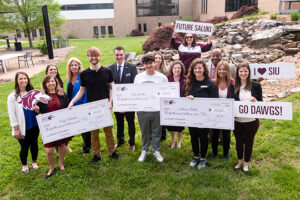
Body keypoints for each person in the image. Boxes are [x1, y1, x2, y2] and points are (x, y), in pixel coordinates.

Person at [68, 47, 119, 165]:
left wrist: (110, 101)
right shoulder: (84, 74)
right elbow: (81, 91)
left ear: (99, 56)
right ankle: (96, 155)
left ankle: (112, 152)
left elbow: (113, 87)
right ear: (88, 57)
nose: (93, 58)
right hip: (91, 107)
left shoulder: (107, 72)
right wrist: (72, 101)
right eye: (91, 56)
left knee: (108, 132)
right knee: (94, 133)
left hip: (105, 107)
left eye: (96, 55)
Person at [183, 58, 217, 169]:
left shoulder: (210, 84)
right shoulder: (188, 83)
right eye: (195, 68)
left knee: (203, 137)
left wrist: (206, 119)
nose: (197, 70)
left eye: (199, 68)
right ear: (192, 70)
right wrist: (187, 98)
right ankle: (196, 156)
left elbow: (213, 102)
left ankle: (203, 158)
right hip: (191, 116)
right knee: (193, 137)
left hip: (204, 117)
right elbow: (181, 98)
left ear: (204, 69)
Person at [134, 53, 168, 162]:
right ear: (144, 65)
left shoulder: (162, 77)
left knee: (156, 131)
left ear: (155, 63)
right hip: (142, 110)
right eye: (146, 63)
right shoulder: (139, 77)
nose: (149, 65)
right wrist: (135, 108)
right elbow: (135, 94)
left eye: (150, 63)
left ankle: (156, 150)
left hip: (157, 110)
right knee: (145, 132)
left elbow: (167, 93)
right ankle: (145, 150)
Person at [36, 75, 71, 179]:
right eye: (48, 82)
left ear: (56, 83)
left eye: (53, 81)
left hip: (61, 125)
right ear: (45, 84)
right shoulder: (41, 98)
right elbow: (40, 111)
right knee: (49, 150)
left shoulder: (62, 94)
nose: (51, 83)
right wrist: (37, 110)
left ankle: (61, 163)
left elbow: (67, 107)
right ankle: (51, 167)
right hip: (49, 127)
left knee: (61, 146)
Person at [7, 72, 40, 173]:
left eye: (25, 78)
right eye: (20, 79)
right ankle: (24, 165)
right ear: (17, 81)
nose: (23, 81)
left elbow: (39, 108)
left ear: (28, 79)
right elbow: (11, 114)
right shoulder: (13, 96)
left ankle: (34, 161)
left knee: (34, 144)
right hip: (22, 127)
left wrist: (38, 109)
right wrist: (16, 129)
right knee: (24, 147)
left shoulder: (33, 93)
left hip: (34, 124)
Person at [233, 63, 262, 174]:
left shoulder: (256, 85)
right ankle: (239, 161)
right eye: (241, 71)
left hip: (251, 120)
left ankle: (246, 163)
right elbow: (232, 102)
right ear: (237, 73)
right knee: (239, 142)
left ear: (249, 72)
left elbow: (261, 102)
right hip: (238, 120)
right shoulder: (234, 85)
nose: (243, 73)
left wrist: (256, 101)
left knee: (249, 142)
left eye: (245, 71)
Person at [108, 46, 137, 152]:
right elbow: (109, 86)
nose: (119, 57)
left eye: (121, 54)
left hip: (129, 102)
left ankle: (132, 142)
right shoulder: (110, 68)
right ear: (114, 55)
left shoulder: (132, 67)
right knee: (119, 122)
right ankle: (120, 140)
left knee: (130, 123)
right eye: (117, 55)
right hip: (116, 101)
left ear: (124, 55)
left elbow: (135, 85)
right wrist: (110, 101)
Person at [66, 57, 91, 154]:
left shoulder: (83, 76)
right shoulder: (69, 78)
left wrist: (85, 105)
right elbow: (69, 94)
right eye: (71, 65)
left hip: (83, 106)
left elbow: (86, 92)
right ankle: (86, 143)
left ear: (79, 66)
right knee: (81, 127)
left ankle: (87, 148)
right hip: (74, 107)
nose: (74, 67)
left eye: (75, 65)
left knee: (86, 128)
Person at [45, 64, 72, 152]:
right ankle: (59, 149)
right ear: (47, 72)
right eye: (51, 69)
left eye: (55, 69)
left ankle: (65, 146)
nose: (53, 71)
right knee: (56, 131)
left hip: (61, 106)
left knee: (64, 129)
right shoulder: (46, 82)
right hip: (52, 109)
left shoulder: (59, 81)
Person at [211, 61, 234, 160]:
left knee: (226, 134)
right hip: (214, 112)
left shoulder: (232, 83)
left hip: (227, 112)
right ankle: (214, 152)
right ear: (217, 70)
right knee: (214, 133)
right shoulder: (212, 82)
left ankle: (226, 153)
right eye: (220, 69)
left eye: (224, 69)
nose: (222, 71)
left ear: (227, 71)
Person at [166, 60, 186, 149]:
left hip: (181, 105)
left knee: (179, 125)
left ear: (181, 69)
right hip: (170, 106)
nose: (177, 69)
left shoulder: (185, 79)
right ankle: (173, 141)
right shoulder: (167, 78)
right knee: (171, 125)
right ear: (172, 69)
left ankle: (179, 141)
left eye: (179, 68)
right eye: (175, 68)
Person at [154, 51, 168, 141]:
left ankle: (163, 134)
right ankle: (154, 134)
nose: (158, 60)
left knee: (162, 115)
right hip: (153, 96)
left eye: (160, 58)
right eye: (156, 58)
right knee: (154, 115)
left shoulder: (165, 71)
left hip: (162, 95)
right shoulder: (150, 70)